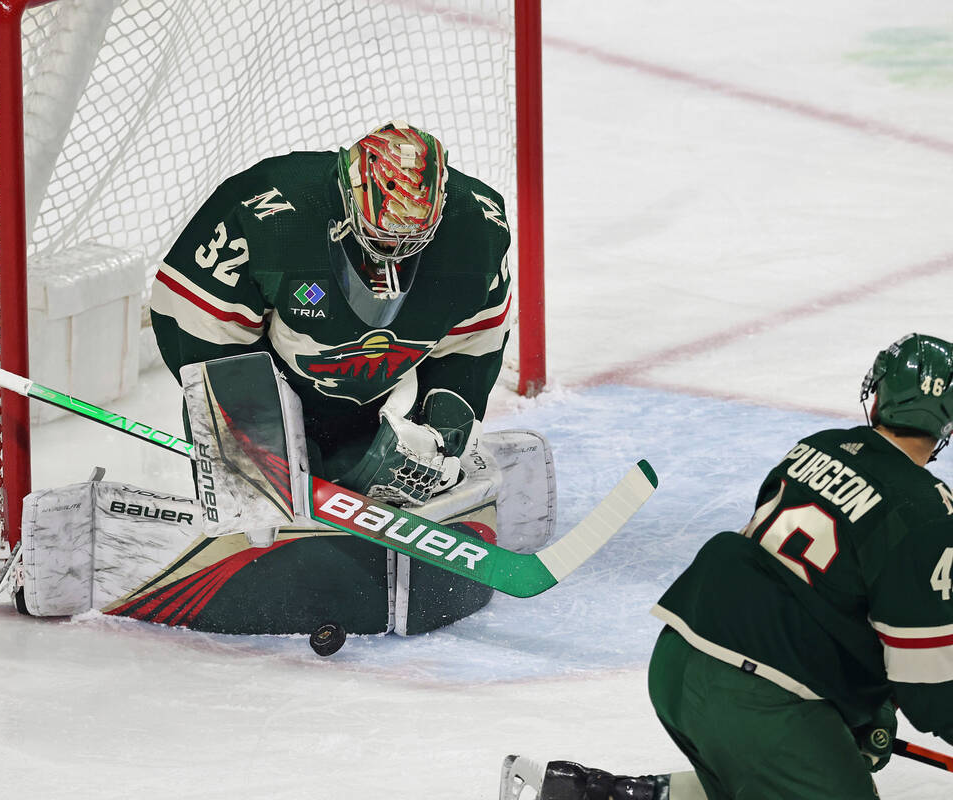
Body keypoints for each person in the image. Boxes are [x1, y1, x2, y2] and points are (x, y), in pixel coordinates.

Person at [523, 333, 953, 799]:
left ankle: (596, 794)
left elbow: (811, 586)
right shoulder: (926, 516)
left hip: (680, 654)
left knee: (755, 783)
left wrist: (863, 710)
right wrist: (871, 710)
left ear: (878, 398)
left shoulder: (816, 448)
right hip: (761, 693)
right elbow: (929, 687)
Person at [141, 121, 514, 635]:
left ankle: (341, 466)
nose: (397, 253)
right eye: (384, 235)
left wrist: (445, 419)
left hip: (367, 388)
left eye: (414, 239)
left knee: (380, 468)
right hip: (267, 372)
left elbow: (472, 342)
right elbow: (193, 324)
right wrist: (248, 438)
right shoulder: (268, 213)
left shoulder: (478, 228)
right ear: (348, 194)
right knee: (263, 495)